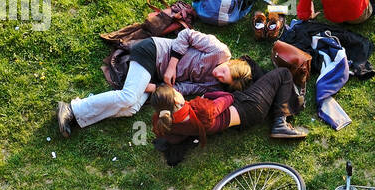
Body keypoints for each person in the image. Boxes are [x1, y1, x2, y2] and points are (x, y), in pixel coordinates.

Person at [57, 28, 245, 136]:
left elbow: (185, 88)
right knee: (129, 97)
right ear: (231, 63)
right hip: (154, 52)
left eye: (222, 78)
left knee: (131, 109)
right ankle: (72, 108)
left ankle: (79, 117)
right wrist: (172, 65)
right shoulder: (220, 51)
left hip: (156, 78)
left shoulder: (212, 84)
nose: (218, 74)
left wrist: (156, 87)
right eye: (223, 70)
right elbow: (186, 34)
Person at [150, 66, 307, 153]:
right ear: (177, 99)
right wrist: (206, 95)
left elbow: (175, 138)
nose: (178, 91)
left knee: (269, 89)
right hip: (249, 106)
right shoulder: (201, 109)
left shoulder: (162, 122)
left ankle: (278, 106)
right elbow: (228, 97)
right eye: (176, 91)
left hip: (242, 120)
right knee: (282, 73)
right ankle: (280, 123)